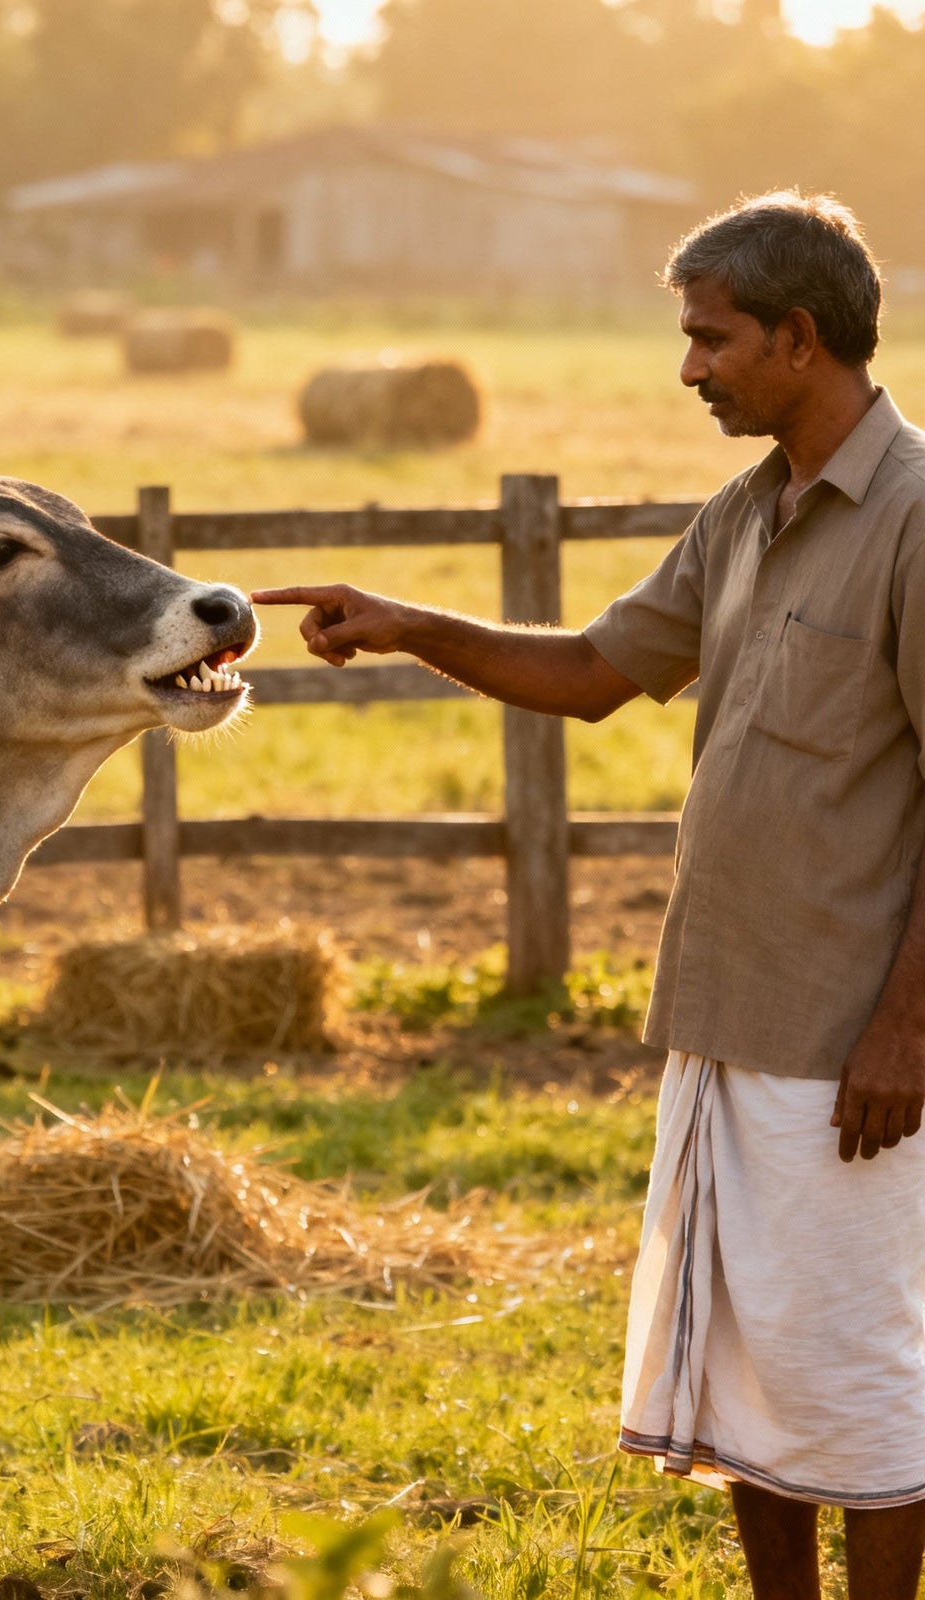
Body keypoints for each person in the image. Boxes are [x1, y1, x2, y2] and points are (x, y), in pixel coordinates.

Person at [254, 192, 925, 1600]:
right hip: (728, 1019)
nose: (690, 369)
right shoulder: (743, 514)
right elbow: (594, 673)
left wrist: (906, 1032)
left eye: (712, 340)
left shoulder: (919, 520)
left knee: (864, 1382)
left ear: (801, 339)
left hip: (852, 1049)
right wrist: (408, 623)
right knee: (745, 1372)